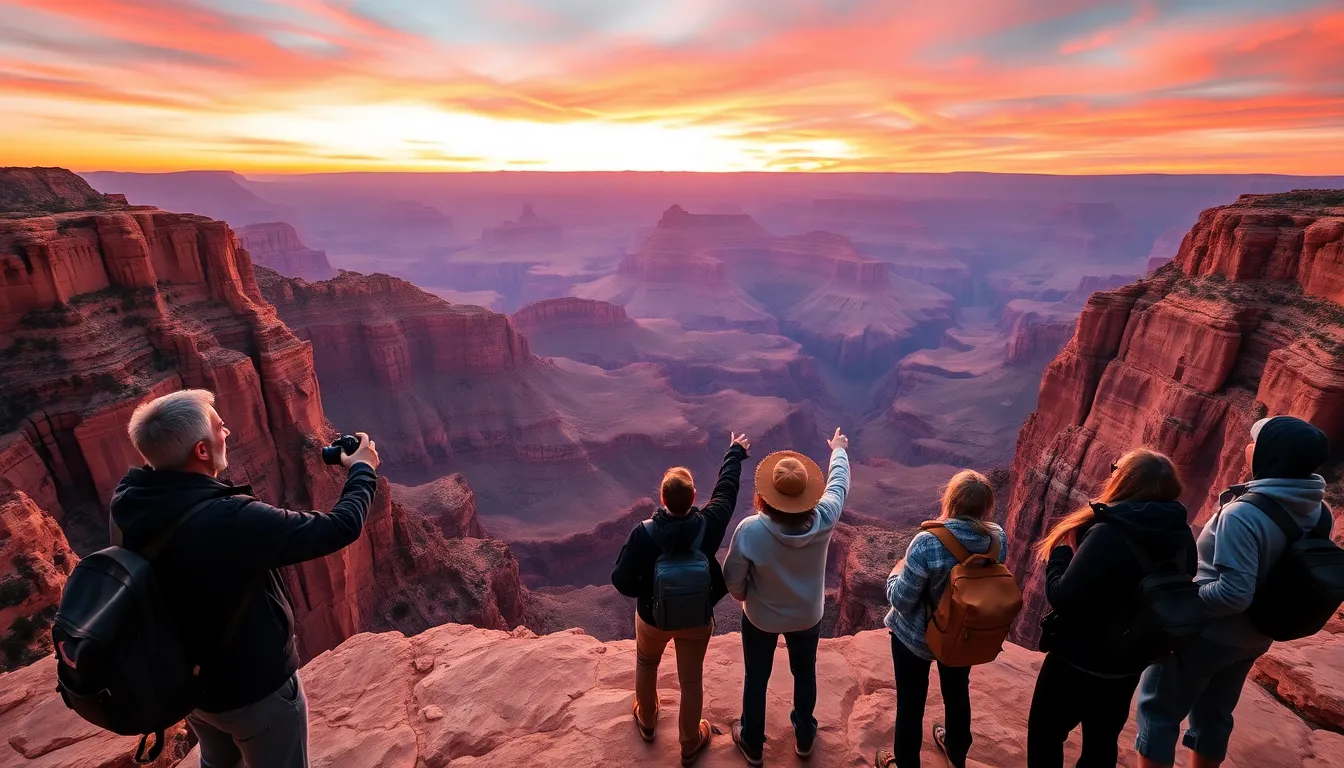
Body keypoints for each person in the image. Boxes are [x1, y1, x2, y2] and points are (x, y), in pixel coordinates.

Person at [106, 389, 380, 768]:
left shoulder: (128, 501)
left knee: (218, 762)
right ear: (201, 451)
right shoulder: (229, 519)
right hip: (256, 694)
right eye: (220, 426)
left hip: (192, 688)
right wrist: (363, 470)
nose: (229, 432)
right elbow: (340, 527)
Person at [1135, 416, 1331, 768]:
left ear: (1272, 455)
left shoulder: (1244, 515)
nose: (1248, 446)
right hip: (1255, 636)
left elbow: (1233, 593)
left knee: (1158, 712)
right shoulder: (1319, 510)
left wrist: (1180, 604)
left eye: (1255, 440)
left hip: (1206, 636)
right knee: (1215, 715)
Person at [1026, 449, 1195, 768]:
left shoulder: (1110, 532)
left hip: (1078, 661)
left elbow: (1063, 597)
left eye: (1116, 468)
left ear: (1127, 481)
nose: (1111, 472)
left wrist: (1059, 558)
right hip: (1128, 662)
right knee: (1101, 743)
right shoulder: (1180, 533)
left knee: (1046, 735)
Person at [611, 432, 751, 766]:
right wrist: (735, 451)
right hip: (696, 619)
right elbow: (726, 492)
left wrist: (649, 590)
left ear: (661, 497)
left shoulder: (642, 533)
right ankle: (689, 742)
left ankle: (646, 720)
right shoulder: (709, 523)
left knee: (646, 663)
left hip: (651, 617)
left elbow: (621, 582)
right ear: (693, 497)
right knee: (691, 680)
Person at [723, 427, 852, 765]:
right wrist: (838, 449)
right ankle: (805, 735)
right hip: (807, 615)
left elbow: (732, 577)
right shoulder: (824, 519)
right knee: (804, 672)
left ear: (766, 495)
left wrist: (743, 597)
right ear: (807, 494)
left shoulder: (750, 529)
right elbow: (839, 485)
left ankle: (751, 741)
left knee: (756, 676)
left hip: (761, 617)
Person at [875, 470, 1008, 768]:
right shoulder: (997, 537)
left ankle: (907, 763)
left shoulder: (927, 543)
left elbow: (901, 600)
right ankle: (957, 751)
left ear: (952, 500)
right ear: (987, 505)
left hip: (916, 640)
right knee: (957, 693)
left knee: (911, 703)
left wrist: (894, 574)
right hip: (962, 635)